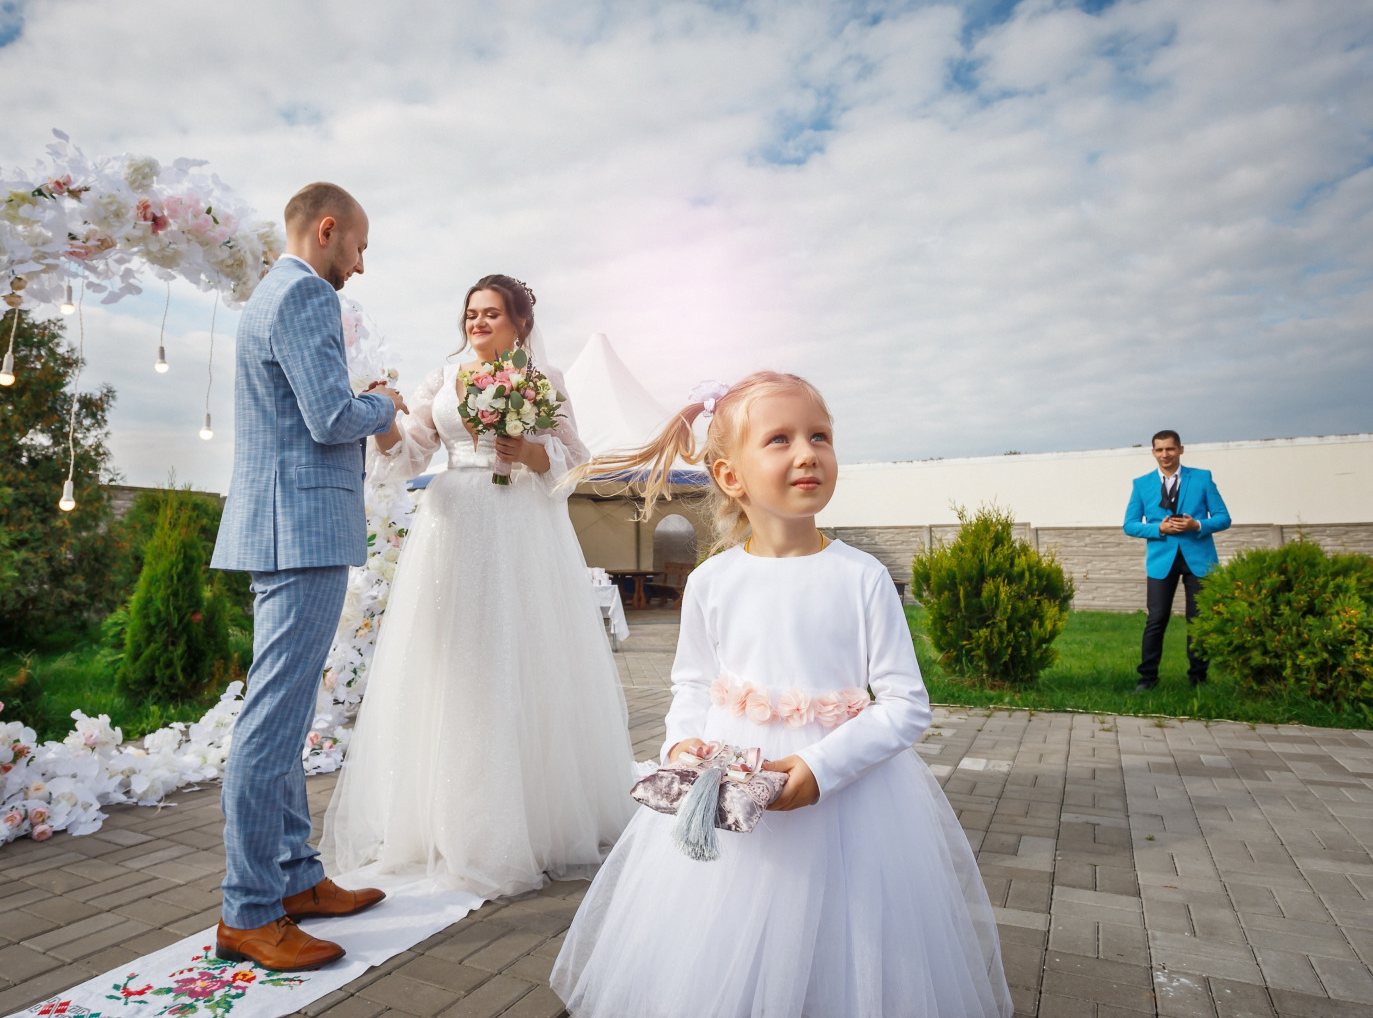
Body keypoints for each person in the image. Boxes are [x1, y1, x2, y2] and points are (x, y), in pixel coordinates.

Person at [551, 373, 1011, 1018]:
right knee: (727, 935)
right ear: (731, 475)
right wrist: (682, 742)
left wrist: (822, 768)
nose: (807, 453)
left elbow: (906, 705)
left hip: (846, 799)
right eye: (780, 439)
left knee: (843, 936)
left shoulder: (862, 576)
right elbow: (692, 681)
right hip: (730, 784)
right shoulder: (713, 581)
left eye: (819, 435)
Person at [321, 275, 637, 899]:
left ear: (520, 323)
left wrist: (531, 452)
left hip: (521, 523)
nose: (477, 323)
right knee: (452, 661)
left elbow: (575, 462)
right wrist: (381, 418)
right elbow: (409, 455)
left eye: (491, 314)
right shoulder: (441, 381)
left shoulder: (545, 382)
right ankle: (445, 820)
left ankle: (528, 819)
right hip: (452, 522)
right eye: (470, 314)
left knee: (519, 656)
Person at [208, 182, 407, 971]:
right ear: (327, 230)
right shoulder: (304, 297)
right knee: (270, 723)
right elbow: (331, 419)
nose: (358, 267)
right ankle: (249, 909)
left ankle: (293, 879)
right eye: (358, 247)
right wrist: (382, 401)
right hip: (301, 532)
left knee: (283, 716)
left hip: (283, 527)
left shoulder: (272, 295)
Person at [1122, 430, 1231, 691]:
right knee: (1156, 619)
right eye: (1159, 450)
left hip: (1199, 559)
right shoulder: (1142, 484)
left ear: (1180, 449)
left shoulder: (1202, 478)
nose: (1165, 454)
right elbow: (1130, 525)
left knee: (1199, 620)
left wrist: (1197, 524)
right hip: (1161, 560)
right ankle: (1147, 679)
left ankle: (1198, 678)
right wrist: (1159, 529)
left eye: (1170, 449)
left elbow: (1223, 518)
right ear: (1153, 453)